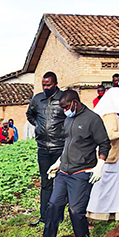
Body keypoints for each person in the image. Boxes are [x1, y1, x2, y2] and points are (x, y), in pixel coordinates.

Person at [36, 90, 109, 237]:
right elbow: (69, 143)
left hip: (81, 172)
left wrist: (100, 164)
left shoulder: (92, 119)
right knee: (53, 205)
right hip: (64, 172)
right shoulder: (68, 120)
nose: (64, 111)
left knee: (76, 210)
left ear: (75, 103)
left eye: (66, 107)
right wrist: (58, 162)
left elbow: (104, 143)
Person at [26, 71, 66, 227]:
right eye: (43, 85)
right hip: (43, 148)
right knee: (45, 182)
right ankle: (44, 216)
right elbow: (30, 114)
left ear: (55, 83)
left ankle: (59, 216)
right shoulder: (37, 99)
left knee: (59, 182)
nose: (45, 87)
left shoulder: (63, 98)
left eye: (48, 85)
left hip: (59, 147)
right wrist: (39, 126)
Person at [87, 87, 119, 222]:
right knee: (103, 185)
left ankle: (113, 213)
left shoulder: (110, 115)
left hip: (112, 156)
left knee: (111, 186)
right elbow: (110, 135)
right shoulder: (110, 116)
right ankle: (95, 214)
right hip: (109, 156)